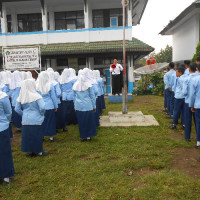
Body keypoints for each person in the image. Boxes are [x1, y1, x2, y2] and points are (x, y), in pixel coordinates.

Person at [15, 79, 48, 157]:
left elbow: (17, 109)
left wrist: (23, 114)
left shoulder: (21, 96)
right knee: (37, 135)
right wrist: (41, 114)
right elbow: (42, 107)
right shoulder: (36, 95)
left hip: (26, 119)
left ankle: (30, 152)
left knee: (28, 136)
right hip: (36, 118)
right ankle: (39, 152)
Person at [73, 72, 97, 142]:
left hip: (79, 106)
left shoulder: (75, 85)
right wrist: (94, 106)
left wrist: (75, 106)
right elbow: (92, 96)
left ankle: (82, 136)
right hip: (88, 105)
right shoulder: (89, 85)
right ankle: (88, 136)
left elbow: (74, 97)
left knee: (81, 121)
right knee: (89, 121)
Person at [36, 71, 58, 142]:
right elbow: (53, 97)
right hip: (49, 105)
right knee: (50, 121)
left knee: (41, 122)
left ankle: (42, 136)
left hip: (40, 106)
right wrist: (55, 106)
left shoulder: (37, 86)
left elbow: (36, 97)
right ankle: (51, 137)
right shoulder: (50, 85)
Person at [0, 89, 15, 185]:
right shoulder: (2, 96)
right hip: (1, 127)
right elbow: (8, 112)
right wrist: (6, 122)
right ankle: (6, 176)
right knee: (4, 152)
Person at [182, 63, 198, 141]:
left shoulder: (187, 79)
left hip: (188, 101)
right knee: (197, 120)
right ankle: (198, 137)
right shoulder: (198, 77)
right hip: (197, 102)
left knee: (188, 120)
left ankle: (187, 137)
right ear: (196, 69)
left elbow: (184, 92)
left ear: (189, 69)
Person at [169, 65, 186, 130]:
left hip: (179, 97)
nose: (176, 74)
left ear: (180, 73)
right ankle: (184, 124)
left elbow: (183, 88)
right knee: (183, 111)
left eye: (177, 72)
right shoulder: (185, 78)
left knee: (176, 111)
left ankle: (174, 124)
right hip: (184, 97)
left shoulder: (180, 79)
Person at [189, 64, 200, 148]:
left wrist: (191, 105)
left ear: (197, 69)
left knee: (198, 123)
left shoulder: (195, 79)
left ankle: (198, 142)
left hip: (198, 105)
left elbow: (192, 94)